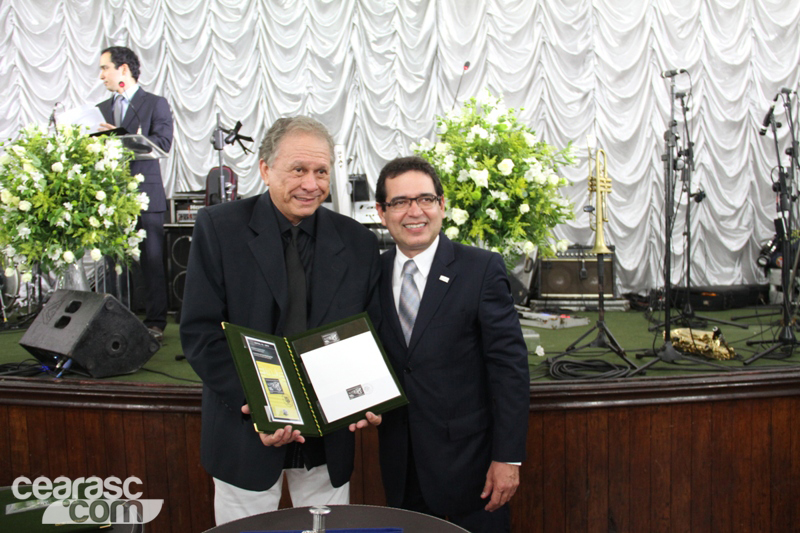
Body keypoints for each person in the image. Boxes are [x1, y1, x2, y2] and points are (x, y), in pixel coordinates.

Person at [180, 116, 381, 525]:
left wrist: (370, 396)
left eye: (321, 171)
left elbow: (368, 337)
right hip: (245, 431)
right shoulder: (219, 229)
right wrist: (261, 409)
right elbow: (200, 333)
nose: (311, 183)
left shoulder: (359, 242)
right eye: (299, 170)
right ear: (265, 169)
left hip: (330, 433)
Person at [373, 156, 530, 533]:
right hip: (401, 464)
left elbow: (509, 369)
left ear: (442, 205)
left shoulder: (481, 269)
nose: (415, 211)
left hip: (472, 469)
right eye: (399, 202)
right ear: (381, 212)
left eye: (426, 199)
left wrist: (508, 458)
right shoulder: (370, 273)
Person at [97, 45, 172, 340]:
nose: (101, 75)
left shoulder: (155, 103)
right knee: (113, 262)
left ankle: (155, 322)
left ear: (123, 70)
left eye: (105, 68)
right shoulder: (101, 109)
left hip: (146, 194)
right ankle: (115, 319)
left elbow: (162, 144)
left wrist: (120, 137)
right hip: (110, 197)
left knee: (151, 260)